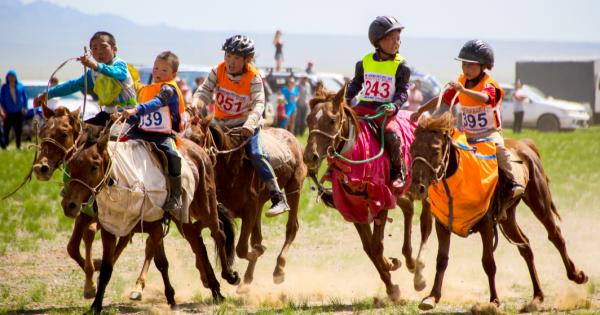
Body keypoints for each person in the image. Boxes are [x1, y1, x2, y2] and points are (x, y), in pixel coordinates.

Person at [410, 39, 525, 204]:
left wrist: (463, 91)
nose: (467, 69)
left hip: (489, 134)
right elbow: (441, 100)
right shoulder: (461, 82)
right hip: (468, 134)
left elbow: (485, 98)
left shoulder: (489, 84)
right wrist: (421, 110)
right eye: (464, 65)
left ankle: (513, 182)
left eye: (472, 65)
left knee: (500, 149)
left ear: (483, 66)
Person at [191, 34, 290, 217]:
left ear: (247, 59)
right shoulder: (217, 70)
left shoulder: (254, 77)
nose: (230, 61)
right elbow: (204, 91)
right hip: (219, 125)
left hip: (244, 126)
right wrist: (196, 103)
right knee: (195, 147)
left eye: (236, 58)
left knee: (256, 154)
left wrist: (250, 124)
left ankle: (277, 196)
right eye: (228, 55)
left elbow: (259, 103)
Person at [345, 16, 411, 192]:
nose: (396, 43)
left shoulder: (402, 66)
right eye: (391, 39)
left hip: (384, 109)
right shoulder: (364, 62)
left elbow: (402, 92)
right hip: (363, 105)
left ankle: (398, 172)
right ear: (378, 41)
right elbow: (356, 84)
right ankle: (334, 166)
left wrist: (395, 106)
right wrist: (345, 100)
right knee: (343, 126)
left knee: (392, 134)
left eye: (398, 39)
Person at [122, 51, 187, 213]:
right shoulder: (145, 89)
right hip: (140, 131)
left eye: (164, 70)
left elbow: (157, 103)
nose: (158, 72)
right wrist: (125, 118)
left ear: (173, 74)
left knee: (172, 155)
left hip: (161, 134)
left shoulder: (169, 89)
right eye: (156, 68)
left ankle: (176, 195)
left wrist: (136, 109)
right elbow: (139, 116)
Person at [34, 31, 137, 127]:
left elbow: (115, 72)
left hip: (127, 114)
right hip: (108, 114)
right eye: (95, 48)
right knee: (79, 131)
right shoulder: (93, 73)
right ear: (91, 52)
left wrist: (95, 65)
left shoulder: (120, 65)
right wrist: (47, 94)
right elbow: (73, 85)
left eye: (103, 47)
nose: (99, 51)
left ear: (114, 50)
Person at [1, 70, 28, 149]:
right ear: (7, 77)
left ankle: (18, 146)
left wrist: (25, 107)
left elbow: (25, 97)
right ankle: (5, 146)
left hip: (18, 111)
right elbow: (1, 99)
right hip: (8, 112)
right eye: (9, 76)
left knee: (18, 130)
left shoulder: (20, 86)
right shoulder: (4, 87)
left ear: (15, 77)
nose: (11, 78)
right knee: (6, 130)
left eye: (13, 76)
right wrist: (2, 110)